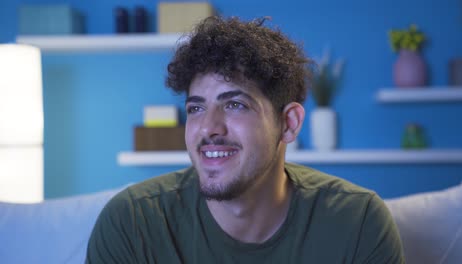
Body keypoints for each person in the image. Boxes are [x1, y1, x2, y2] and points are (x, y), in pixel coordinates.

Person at [86, 16, 404, 263]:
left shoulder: (357, 221)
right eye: (196, 108)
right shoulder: (132, 222)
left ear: (289, 123)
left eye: (235, 105)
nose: (208, 127)